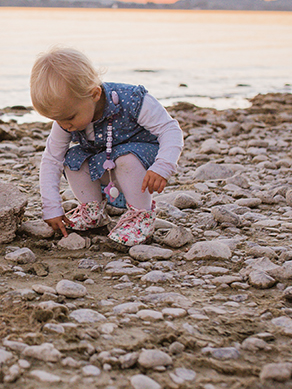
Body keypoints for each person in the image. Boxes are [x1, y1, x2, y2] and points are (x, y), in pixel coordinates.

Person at [30, 47, 183, 248]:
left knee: (126, 158)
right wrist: (52, 208)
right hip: (107, 166)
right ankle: (93, 211)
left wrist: (163, 167)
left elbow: (170, 129)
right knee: (72, 159)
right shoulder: (66, 119)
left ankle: (141, 215)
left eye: (69, 118)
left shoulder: (132, 100)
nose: (64, 125)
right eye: (56, 119)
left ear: (94, 94)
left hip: (143, 166)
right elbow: (52, 159)